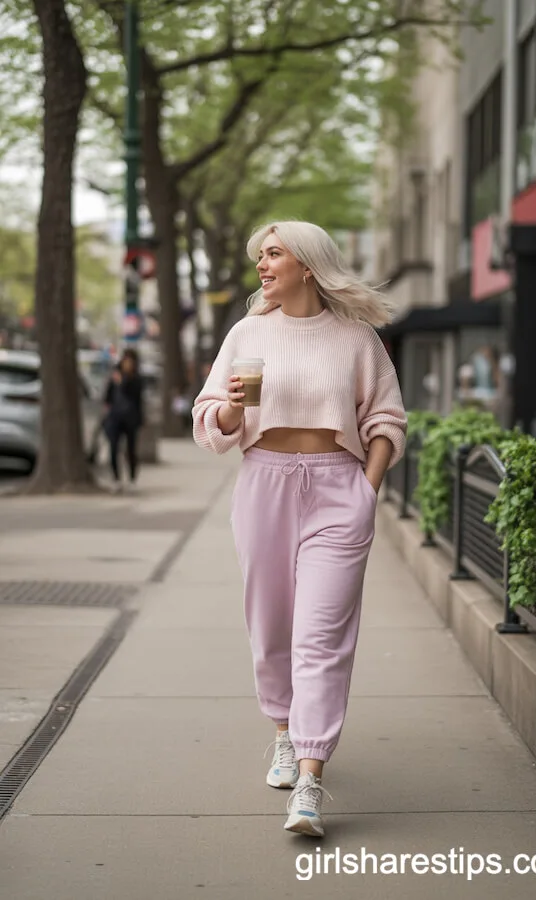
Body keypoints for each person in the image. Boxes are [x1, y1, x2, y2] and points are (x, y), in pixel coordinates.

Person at [192, 221, 407, 838]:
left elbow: (387, 419)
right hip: (265, 484)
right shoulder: (247, 333)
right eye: (259, 256)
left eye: (273, 254)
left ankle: (310, 779)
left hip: (339, 491)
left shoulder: (357, 338)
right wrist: (233, 408)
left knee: (322, 637)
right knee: (271, 626)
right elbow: (209, 419)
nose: (262, 265)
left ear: (308, 265)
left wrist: (366, 490)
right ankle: (284, 733)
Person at [103, 348, 144, 493]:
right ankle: (116, 479)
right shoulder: (114, 376)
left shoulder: (136, 379)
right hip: (115, 418)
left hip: (130, 419)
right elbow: (107, 397)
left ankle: (132, 479)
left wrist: (123, 382)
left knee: (131, 449)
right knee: (113, 448)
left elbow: (137, 399)